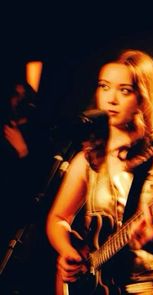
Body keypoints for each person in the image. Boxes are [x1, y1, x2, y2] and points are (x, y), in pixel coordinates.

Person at [46, 49, 153, 295]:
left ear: (142, 99)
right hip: (105, 286)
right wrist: (68, 252)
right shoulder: (86, 159)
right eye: (104, 87)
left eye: (124, 90)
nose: (111, 99)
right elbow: (57, 218)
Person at [0, 81, 54, 294]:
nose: (19, 101)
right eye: (16, 95)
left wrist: (22, 151)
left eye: (24, 97)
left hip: (16, 220)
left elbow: (37, 185)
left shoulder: (39, 137)